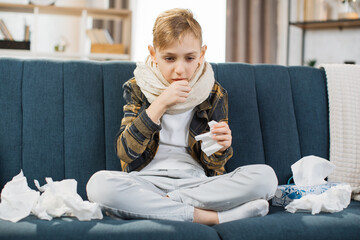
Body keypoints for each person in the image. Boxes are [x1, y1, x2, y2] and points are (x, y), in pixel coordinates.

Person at [86, 8, 278, 225]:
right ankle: (212, 217)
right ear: (153, 54)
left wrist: (222, 146)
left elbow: (214, 166)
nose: (180, 69)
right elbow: (126, 151)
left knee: (266, 178)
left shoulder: (213, 92)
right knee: (98, 185)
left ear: (202, 54)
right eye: (169, 58)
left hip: (197, 184)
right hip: (146, 181)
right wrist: (160, 103)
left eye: (189, 58)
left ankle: (163, 205)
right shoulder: (138, 87)